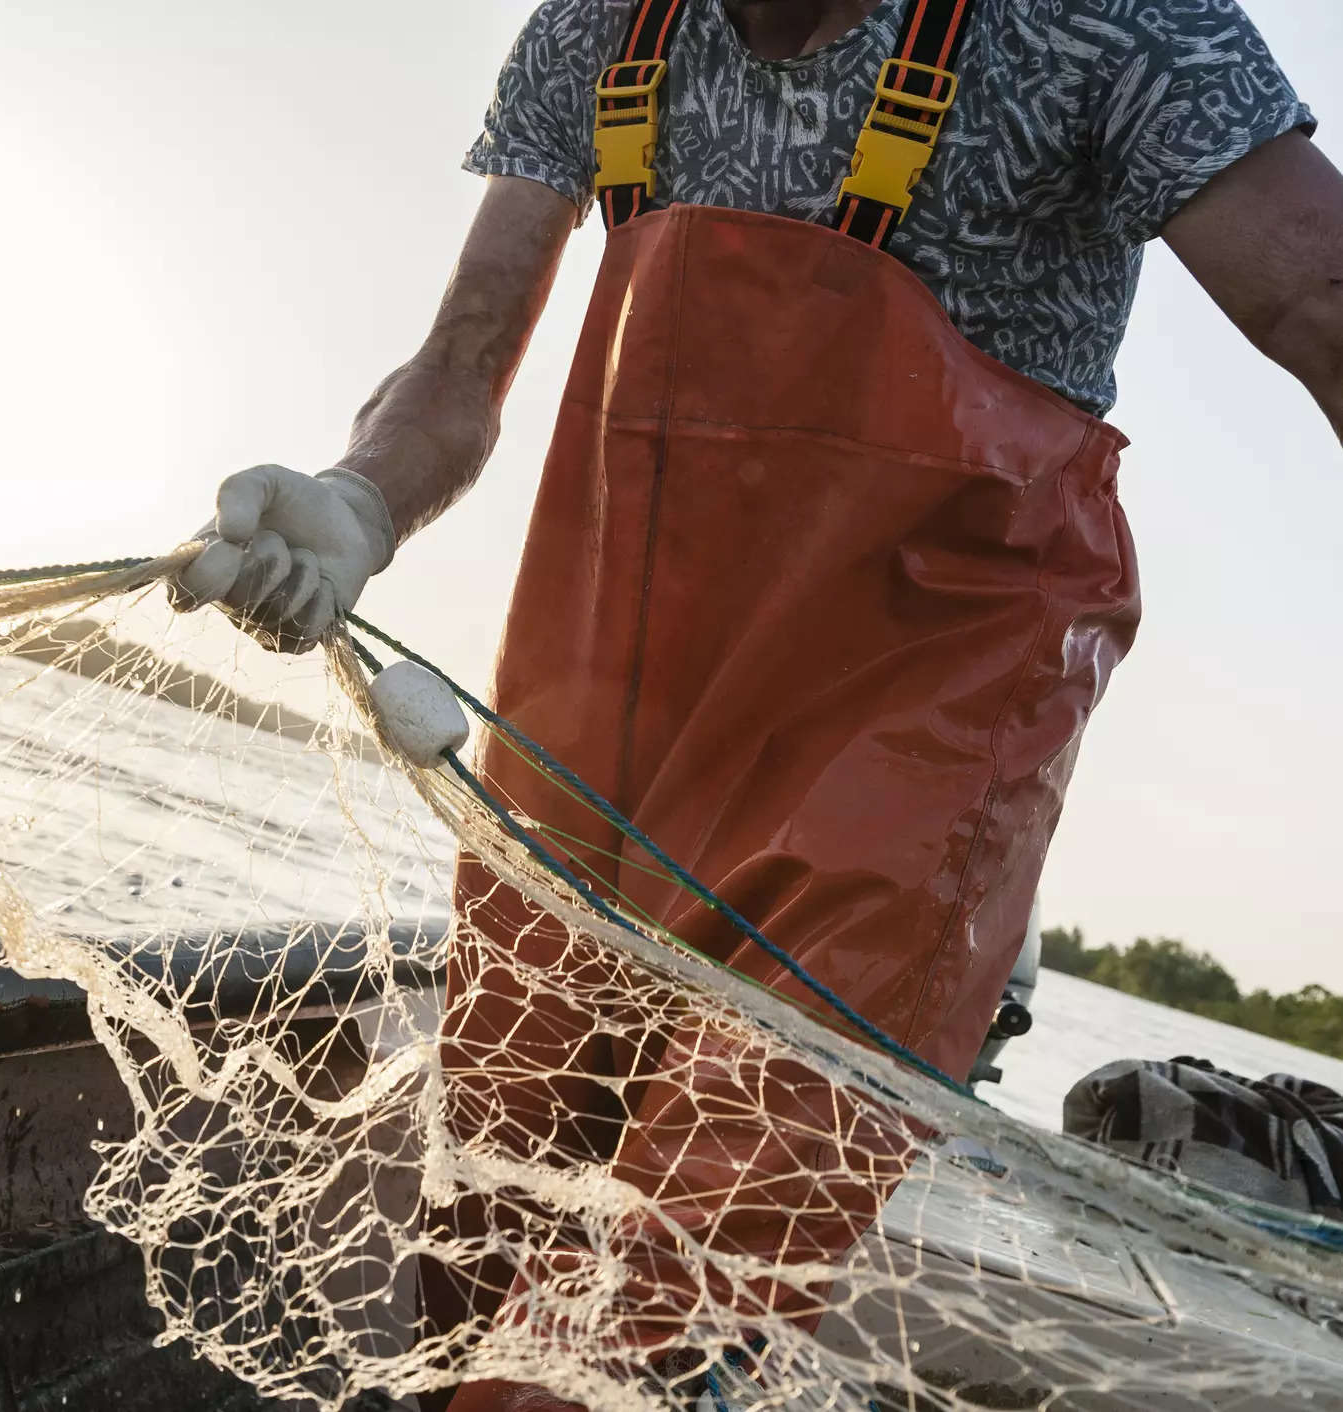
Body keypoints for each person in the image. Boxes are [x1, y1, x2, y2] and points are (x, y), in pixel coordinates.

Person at [171, 0, 1334, 1406]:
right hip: (595, 730)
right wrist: (360, 501)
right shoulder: (599, 31)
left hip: (907, 767)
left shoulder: (1109, 26)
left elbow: (1316, 299)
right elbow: (462, 365)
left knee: (641, 1320)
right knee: (480, 1242)